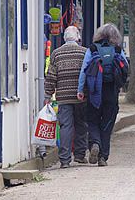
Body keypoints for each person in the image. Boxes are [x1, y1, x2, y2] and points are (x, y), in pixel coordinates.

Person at [77, 23, 129, 167]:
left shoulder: (92, 49)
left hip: (94, 91)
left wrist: (80, 90)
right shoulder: (117, 50)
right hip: (111, 92)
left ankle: (95, 143)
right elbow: (125, 68)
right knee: (107, 123)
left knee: (92, 120)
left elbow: (84, 71)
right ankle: (103, 157)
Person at [44, 26, 88, 169]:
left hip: (63, 97)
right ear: (78, 38)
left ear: (64, 38)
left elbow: (51, 76)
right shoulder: (84, 52)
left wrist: (48, 94)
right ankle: (80, 155)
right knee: (81, 125)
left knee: (66, 127)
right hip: (80, 96)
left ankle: (64, 159)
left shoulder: (56, 54)